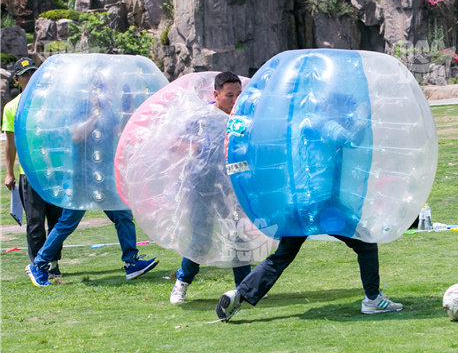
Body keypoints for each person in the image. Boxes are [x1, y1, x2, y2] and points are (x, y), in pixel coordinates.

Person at [215, 88, 401, 321]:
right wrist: (363, 118)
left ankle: (237, 296)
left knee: (282, 255)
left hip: (297, 202)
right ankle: (373, 299)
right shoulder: (326, 125)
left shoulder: (300, 125)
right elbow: (352, 140)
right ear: (329, 106)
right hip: (322, 206)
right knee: (365, 242)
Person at [25, 70, 157, 287]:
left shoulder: (109, 109)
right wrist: (94, 115)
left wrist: (127, 115)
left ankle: (131, 262)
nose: (112, 91)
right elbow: (76, 135)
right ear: (97, 88)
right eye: (109, 87)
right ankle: (39, 264)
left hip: (102, 176)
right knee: (68, 222)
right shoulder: (83, 107)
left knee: (122, 214)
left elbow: (116, 135)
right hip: (82, 178)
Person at [170, 72, 253, 304]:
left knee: (238, 236)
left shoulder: (241, 120)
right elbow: (174, 143)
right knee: (201, 239)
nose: (235, 101)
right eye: (229, 96)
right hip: (201, 186)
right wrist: (194, 146)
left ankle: (244, 288)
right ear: (216, 94)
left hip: (230, 187)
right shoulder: (202, 117)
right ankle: (181, 284)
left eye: (239, 95)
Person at [3, 58, 65, 279]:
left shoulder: (49, 103)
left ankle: (53, 261)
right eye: (25, 75)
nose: (30, 78)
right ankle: (38, 264)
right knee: (35, 221)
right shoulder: (12, 107)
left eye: (33, 74)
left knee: (56, 219)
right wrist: (9, 172)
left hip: (53, 171)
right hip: (28, 173)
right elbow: (10, 143)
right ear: (16, 79)